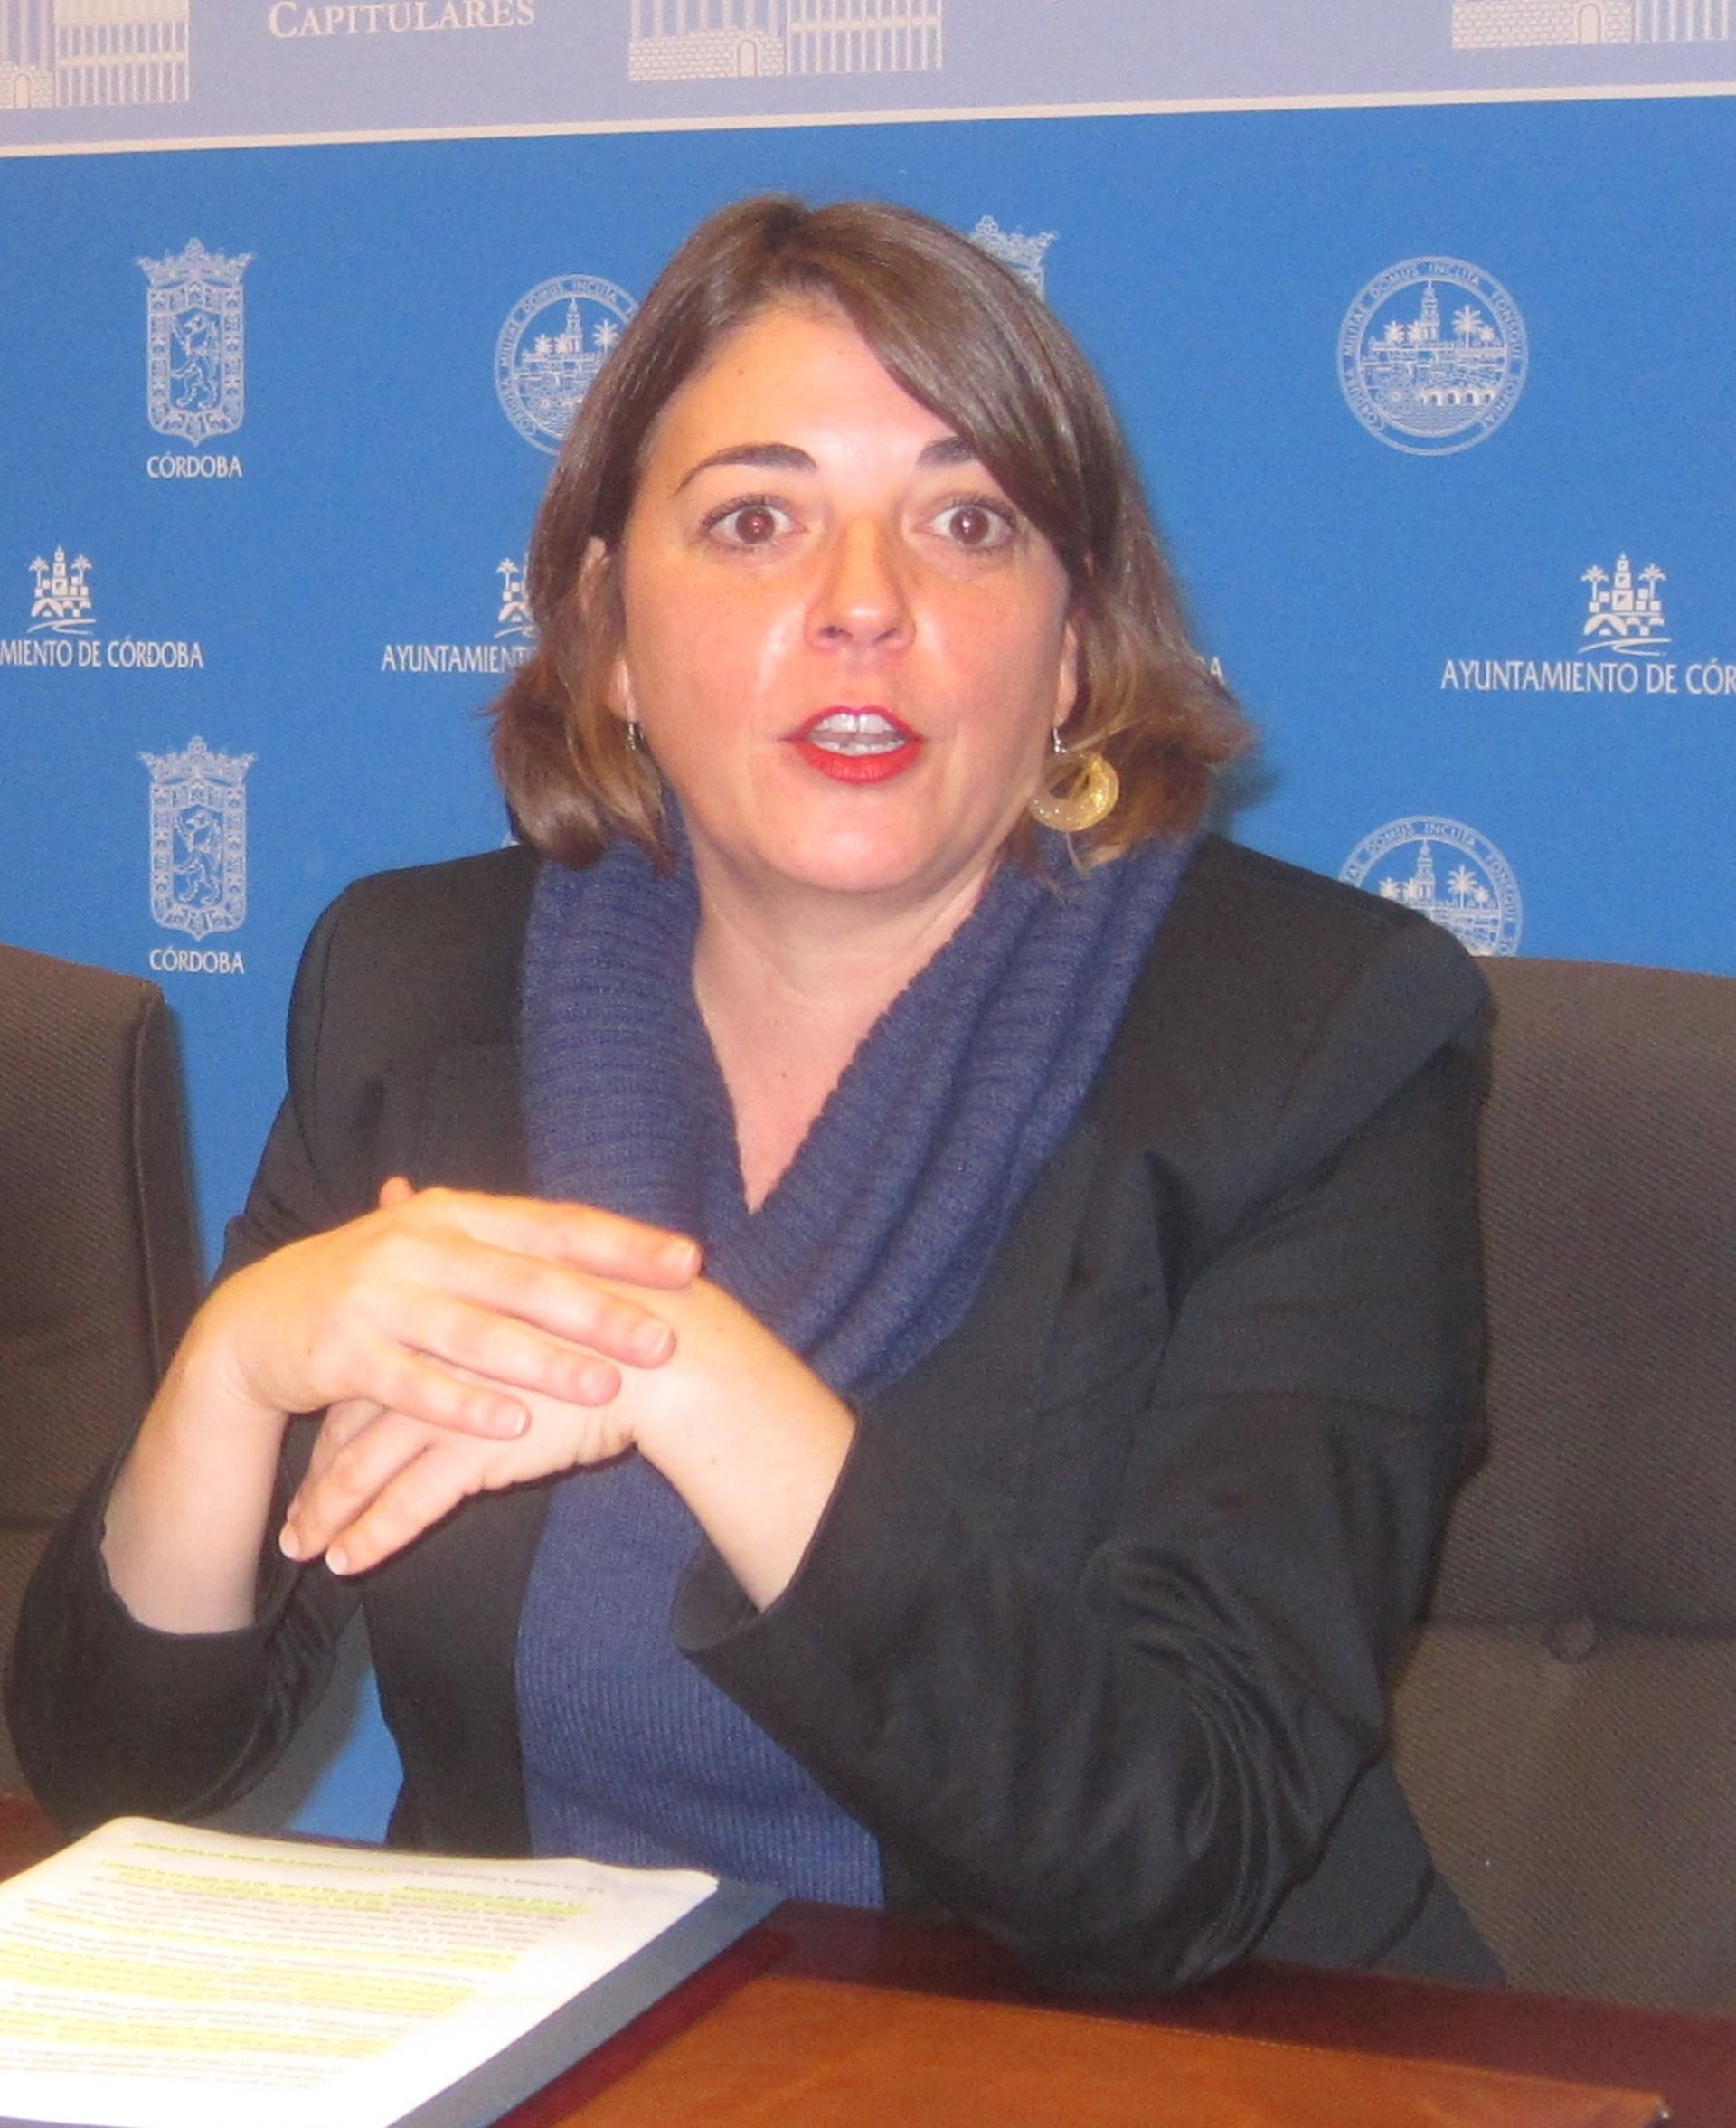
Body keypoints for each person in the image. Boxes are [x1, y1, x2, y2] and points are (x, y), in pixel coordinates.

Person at [8, 195, 1495, 1993]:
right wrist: (238, 1365)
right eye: (754, 521)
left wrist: (683, 1372)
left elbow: (1169, 1846)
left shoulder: (1312, 1034)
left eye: (967, 521)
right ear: (610, 634)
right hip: (567, 2047)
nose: (864, 603)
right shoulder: (421, 990)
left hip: (1162, 2065)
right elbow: (125, 1766)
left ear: (1075, 646)